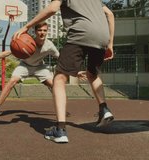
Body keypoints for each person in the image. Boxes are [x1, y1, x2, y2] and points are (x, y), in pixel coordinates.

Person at [14, 0, 115, 143]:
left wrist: (27, 26)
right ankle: (104, 109)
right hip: (102, 37)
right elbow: (110, 14)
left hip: (81, 33)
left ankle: (60, 129)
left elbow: (53, 8)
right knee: (93, 74)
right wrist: (110, 43)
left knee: (59, 78)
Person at [0, 22, 60, 120]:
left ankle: (60, 109)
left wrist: (76, 71)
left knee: (55, 86)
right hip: (25, 66)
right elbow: (7, 52)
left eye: (45, 30)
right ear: (35, 31)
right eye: (40, 30)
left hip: (39, 67)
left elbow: (61, 58)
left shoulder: (50, 45)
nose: (42, 32)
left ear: (47, 32)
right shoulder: (28, 41)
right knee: (12, 81)